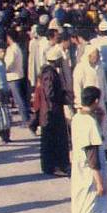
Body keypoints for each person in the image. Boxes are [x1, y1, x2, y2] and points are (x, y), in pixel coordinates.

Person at [33, 47, 71, 177]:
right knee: (55, 140)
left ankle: (50, 166)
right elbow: (50, 94)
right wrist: (63, 96)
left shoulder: (47, 72)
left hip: (49, 111)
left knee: (49, 141)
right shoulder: (50, 74)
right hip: (51, 112)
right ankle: (54, 166)